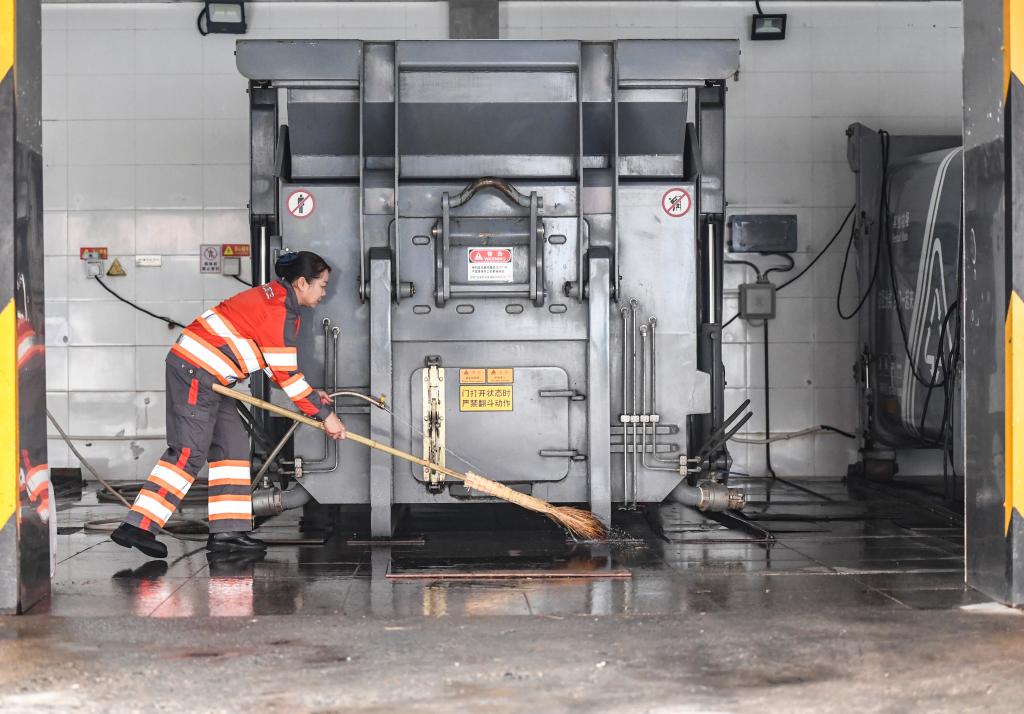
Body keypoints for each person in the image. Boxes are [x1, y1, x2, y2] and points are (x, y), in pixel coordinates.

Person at [111, 251, 346, 559]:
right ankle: (138, 526)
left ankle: (228, 533)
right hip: (196, 373)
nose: (324, 293)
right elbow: (287, 376)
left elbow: (276, 367)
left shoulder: (279, 301)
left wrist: (312, 396)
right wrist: (326, 415)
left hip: (214, 379)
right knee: (189, 452)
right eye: (322, 285)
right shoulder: (278, 310)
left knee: (232, 448)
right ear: (302, 283)